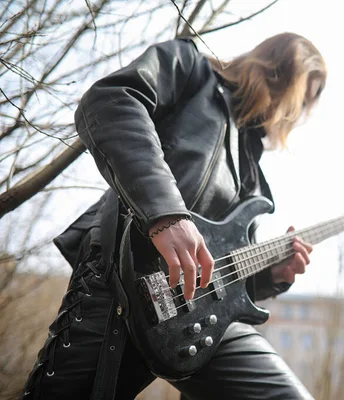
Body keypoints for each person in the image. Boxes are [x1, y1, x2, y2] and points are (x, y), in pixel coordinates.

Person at [22, 32, 327, 399]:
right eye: (301, 100)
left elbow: (224, 272)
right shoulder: (190, 67)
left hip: (203, 324)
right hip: (122, 278)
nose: (296, 114)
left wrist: (271, 277)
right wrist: (165, 214)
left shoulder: (252, 171)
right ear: (280, 73)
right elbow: (110, 99)